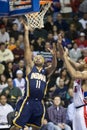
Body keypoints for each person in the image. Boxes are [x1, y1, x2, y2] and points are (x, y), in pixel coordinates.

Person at [10, 21, 57, 130]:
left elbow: (54, 66)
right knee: (17, 126)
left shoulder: (46, 72)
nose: (37, 57)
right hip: (28, 101)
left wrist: (54, 55)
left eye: (40, 57)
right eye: (36, 57)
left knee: (36, 127)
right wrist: (26, 32)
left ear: (44, 61)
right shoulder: (31, 68)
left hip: (39, 103)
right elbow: (27, 49)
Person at [58, 34, 87, 130]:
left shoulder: (86, 74)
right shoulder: (81, 70)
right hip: (77, 109)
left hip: (84, 109)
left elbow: (74, 74)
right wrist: (60, 46)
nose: (80, 61)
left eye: (83, 61)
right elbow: (67, 59)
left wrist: (66, 59)